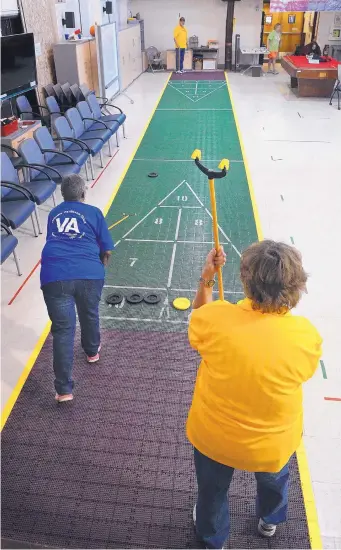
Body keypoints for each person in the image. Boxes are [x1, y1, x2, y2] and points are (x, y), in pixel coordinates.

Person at [186, 241, 322, 549]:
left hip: (214, 439)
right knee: (274, 478)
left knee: (212, 490)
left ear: (247, 280)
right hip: (272, 444)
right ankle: (270, 520)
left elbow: (197, 320)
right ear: (296, 286)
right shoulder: (306, 336)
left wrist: (208, 276)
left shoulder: (216, 318)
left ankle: (212, 538)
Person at [40, 174, 114, 403]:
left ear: (62, 195)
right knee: (89, 313)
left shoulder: (54, 213)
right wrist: (98, 269)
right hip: (89, 273)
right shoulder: (94, 212)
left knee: (63, 331)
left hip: (54, 276)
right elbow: (107, 251)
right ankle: (92, 352)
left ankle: (64, 391)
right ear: (83, 194)